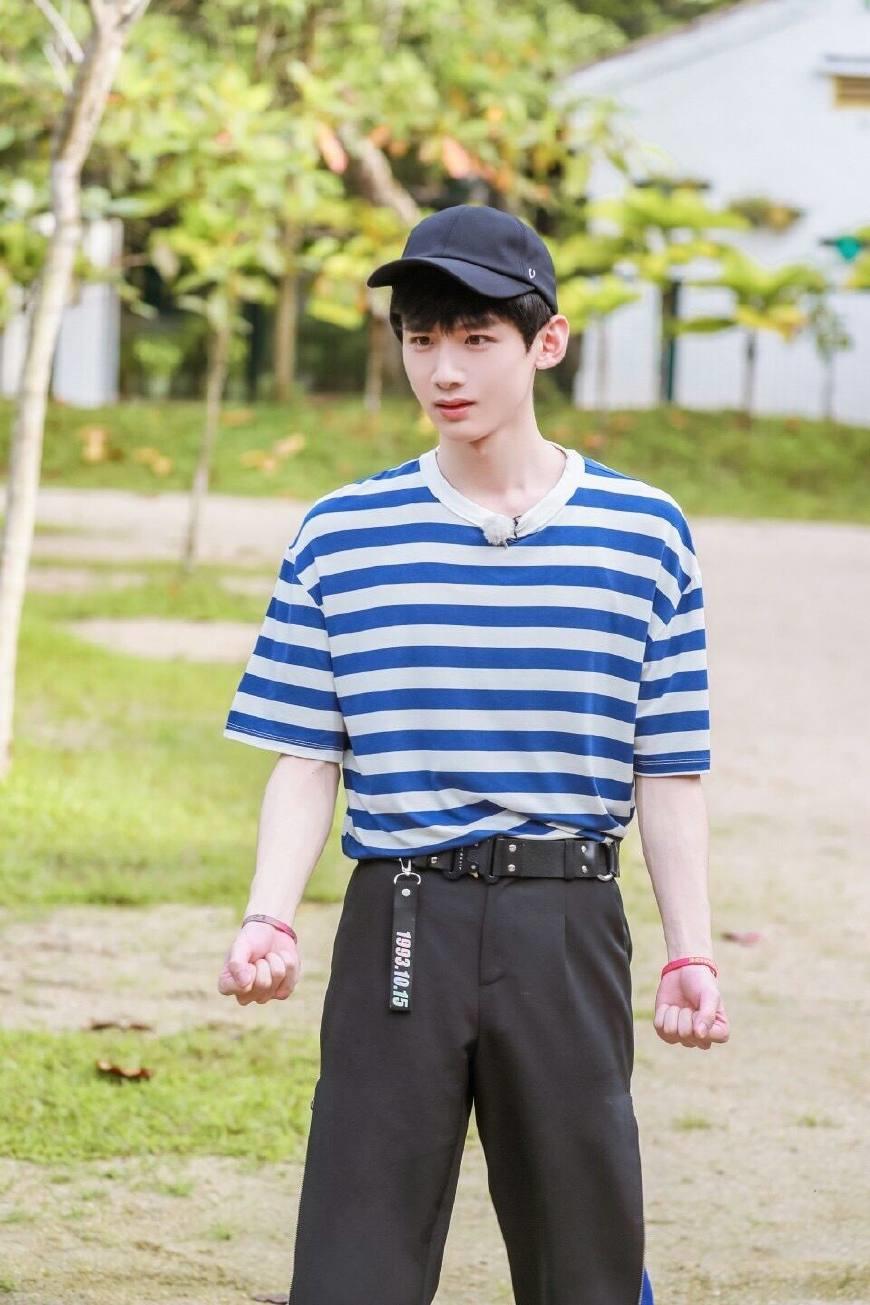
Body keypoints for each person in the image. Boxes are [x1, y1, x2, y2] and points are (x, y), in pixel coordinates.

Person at [217, 203, 730, 1305]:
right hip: (400, 920)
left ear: (547, 342)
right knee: (355, 1262)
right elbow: (307, 753)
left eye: (476, 338)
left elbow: (668, 767)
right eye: (421, 338)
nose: (443, 369)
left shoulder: (646, 535)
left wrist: (690, 951)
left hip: (566, 918)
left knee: (584, 1260)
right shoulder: (340, 535)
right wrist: (268, 915)